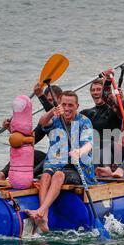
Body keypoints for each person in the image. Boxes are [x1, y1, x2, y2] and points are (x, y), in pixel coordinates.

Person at [26, 90, 95, 233]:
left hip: (78, 168)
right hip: (57, 163)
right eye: (64, 104)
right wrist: (52, 112)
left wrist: (79, 152)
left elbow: (89, 143)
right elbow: (42, 122)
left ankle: (40, 211)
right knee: (45, 176)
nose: (67, 108)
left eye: (71, 105)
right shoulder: (56, 119)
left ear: (77, 106)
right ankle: (43, 218)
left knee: (58, 175)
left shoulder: (84, 121)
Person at [0, 83, 62, 180]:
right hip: (51, 159)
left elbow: (56, 114)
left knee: (50, 156)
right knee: (32, 153)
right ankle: (2, 174)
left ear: (60, 101)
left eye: (51, 100)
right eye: (48, 100)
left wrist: (41, 96)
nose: (50, 103)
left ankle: (28, 178)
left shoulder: (68, 118)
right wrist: (12, 129)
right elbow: (29, 140)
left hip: (66, 160)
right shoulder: (46, 122)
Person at [79, 79, 122, 166]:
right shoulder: (86, 113)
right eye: (93, 90)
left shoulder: (115, 111)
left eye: (99, 89)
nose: (95, 92)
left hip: (111, 151)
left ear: (105, 92)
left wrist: (108, 81)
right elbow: (64, 117)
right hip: (92, 150)